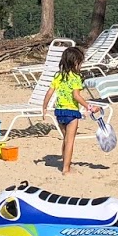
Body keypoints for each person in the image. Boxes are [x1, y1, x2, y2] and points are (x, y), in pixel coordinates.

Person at [42, 45, 100, 176]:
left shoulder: (59, 76)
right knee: (70, 141)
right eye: (80, 63)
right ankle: (66, 169)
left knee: (65, 138)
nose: (81, 66)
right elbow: (76, 96)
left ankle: (65, 164)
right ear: (75, 62)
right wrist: (88, 107)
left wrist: (44, 107)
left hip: (59, 111)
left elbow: (49, 92)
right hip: (71, 112)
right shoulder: (76, 78)